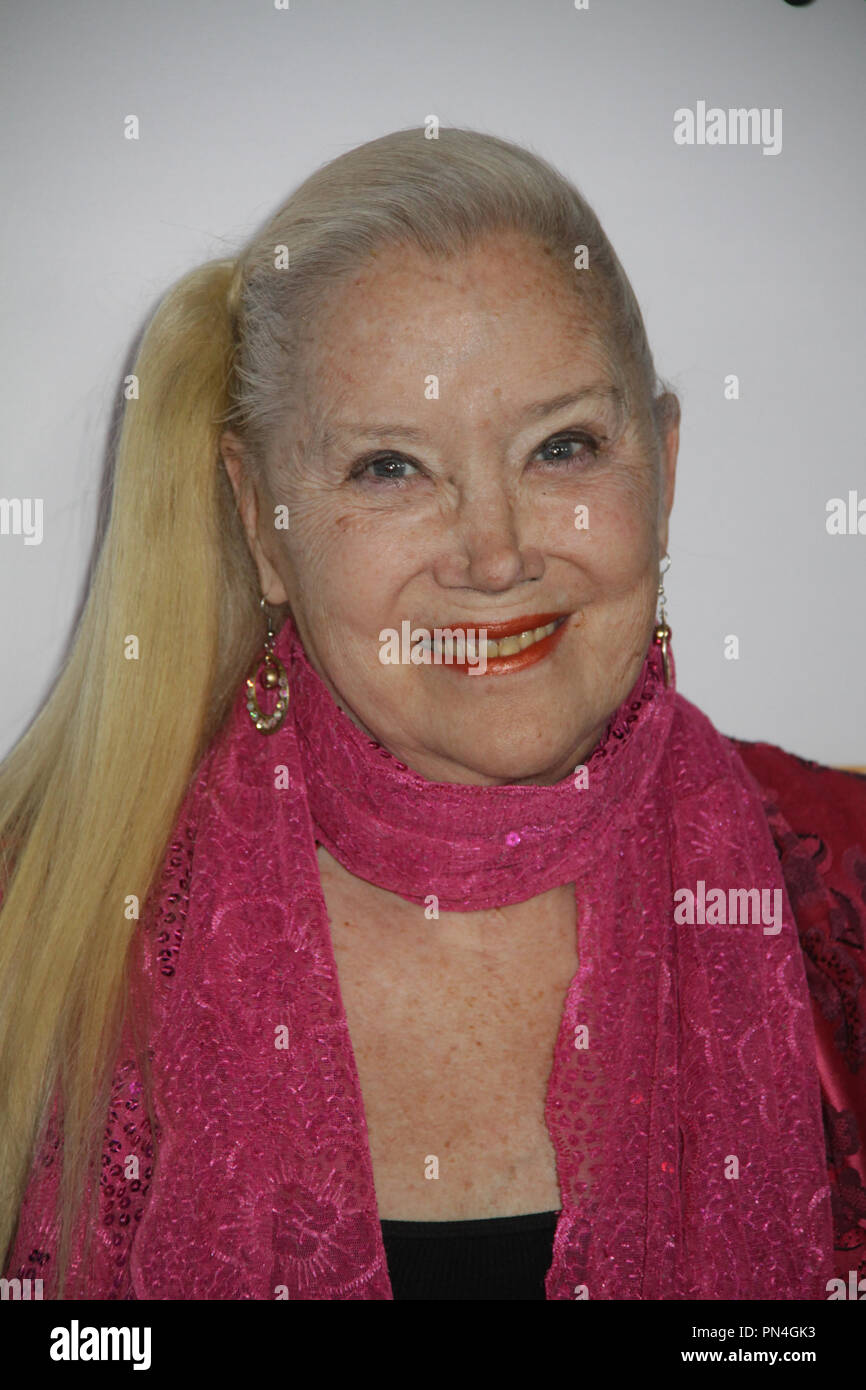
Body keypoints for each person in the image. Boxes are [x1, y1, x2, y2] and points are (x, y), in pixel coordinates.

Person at [1, 127, 864, 1302]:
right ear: (263, 525)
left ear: (661, 470)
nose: (497, 554)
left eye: (562, 447)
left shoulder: (846, 890)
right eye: (389, 468)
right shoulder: (39, 926)